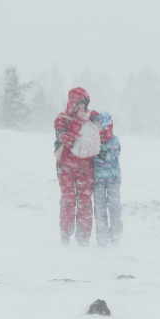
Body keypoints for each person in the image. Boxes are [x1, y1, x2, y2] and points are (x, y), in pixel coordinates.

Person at [53, 87, 99, 246]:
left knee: (85, 202)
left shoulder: (91, 117)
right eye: (78, 103)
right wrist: (78, 122)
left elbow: (105, 129)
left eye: (84, 103)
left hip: (85, 167)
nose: (81, 106)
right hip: (66, 167)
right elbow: (66, 139)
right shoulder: (62, 118)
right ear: (72, 103)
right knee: (68, 201)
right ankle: (65, 236)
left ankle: (83, 238)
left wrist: (100, 121)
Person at [91, 112, 122, 247]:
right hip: (97, 180)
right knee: (99, 209)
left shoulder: (114, 140)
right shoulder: (92, 139)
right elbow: (89, 156)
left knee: (114, 207)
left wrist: (101, 155)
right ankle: (101, 237)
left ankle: (116, 235)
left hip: (113, 179)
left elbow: (114, 155)